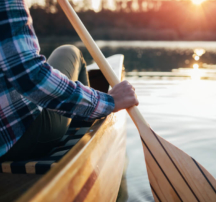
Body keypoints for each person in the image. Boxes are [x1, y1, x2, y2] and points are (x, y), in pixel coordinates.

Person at [0, 0, 138, 161]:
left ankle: (82, 112)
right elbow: (31, 76)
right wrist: (108, 102)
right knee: (69, 52)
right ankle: (85, 126)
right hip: (16, 139)